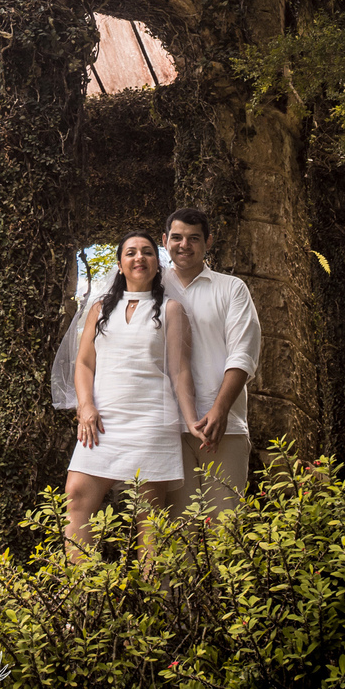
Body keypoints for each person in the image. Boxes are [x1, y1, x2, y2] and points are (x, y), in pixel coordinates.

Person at [59, 230, 203, 552]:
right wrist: (85, 406)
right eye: (131, 253)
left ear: (157, 262)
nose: (140, 257)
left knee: (148, 520)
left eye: (148, 252)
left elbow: (180, 372)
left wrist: (192, 421)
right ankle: (84, 595)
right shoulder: (99, 309)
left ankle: (150, 601)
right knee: (76, 496)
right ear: (120, 265)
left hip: (151, 421)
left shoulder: (171, 310)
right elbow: (83, 363)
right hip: (102, 420)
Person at [161, 207, 261, 519]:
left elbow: (243, 353)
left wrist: (219, 411)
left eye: (193, 238)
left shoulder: (231, 289)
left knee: (225, 526)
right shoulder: (152, 290)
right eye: (176, 237)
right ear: (164, 241)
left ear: (208, 242)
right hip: (167, 427)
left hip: (223, 428)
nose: (184, 245)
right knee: (178, 534)